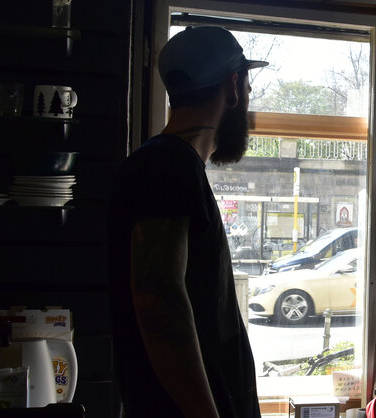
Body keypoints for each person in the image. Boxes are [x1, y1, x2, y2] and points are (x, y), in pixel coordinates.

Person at [108, 26, 268, 418]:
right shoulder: (167, 166)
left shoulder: (167, 166)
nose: (248, 102)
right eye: (247, 88)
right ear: (233, 86)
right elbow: (158, 300)